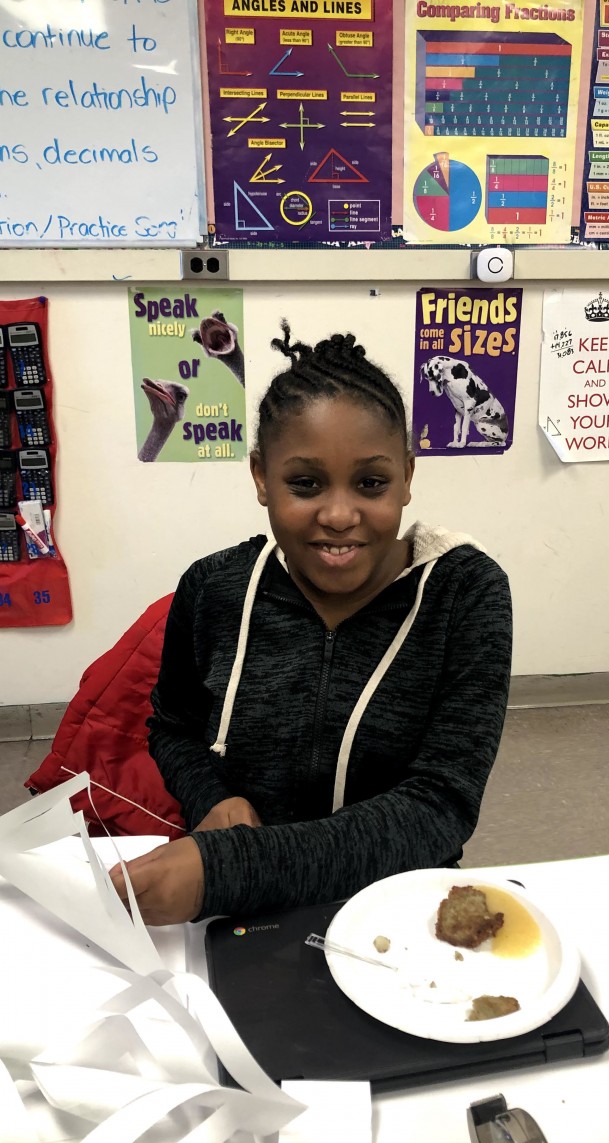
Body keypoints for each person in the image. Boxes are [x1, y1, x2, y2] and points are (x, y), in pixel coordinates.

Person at [110, 323, 512, 924]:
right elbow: (173, 728)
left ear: (407, 476)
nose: (340, 514)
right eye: (305, 483)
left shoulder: (465, 595)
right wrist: (213, 797)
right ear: (260, 478)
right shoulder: (214, 588)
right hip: (241, 914)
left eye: (371, 483)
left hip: (397, 908)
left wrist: (236, 868)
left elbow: (442, 804)